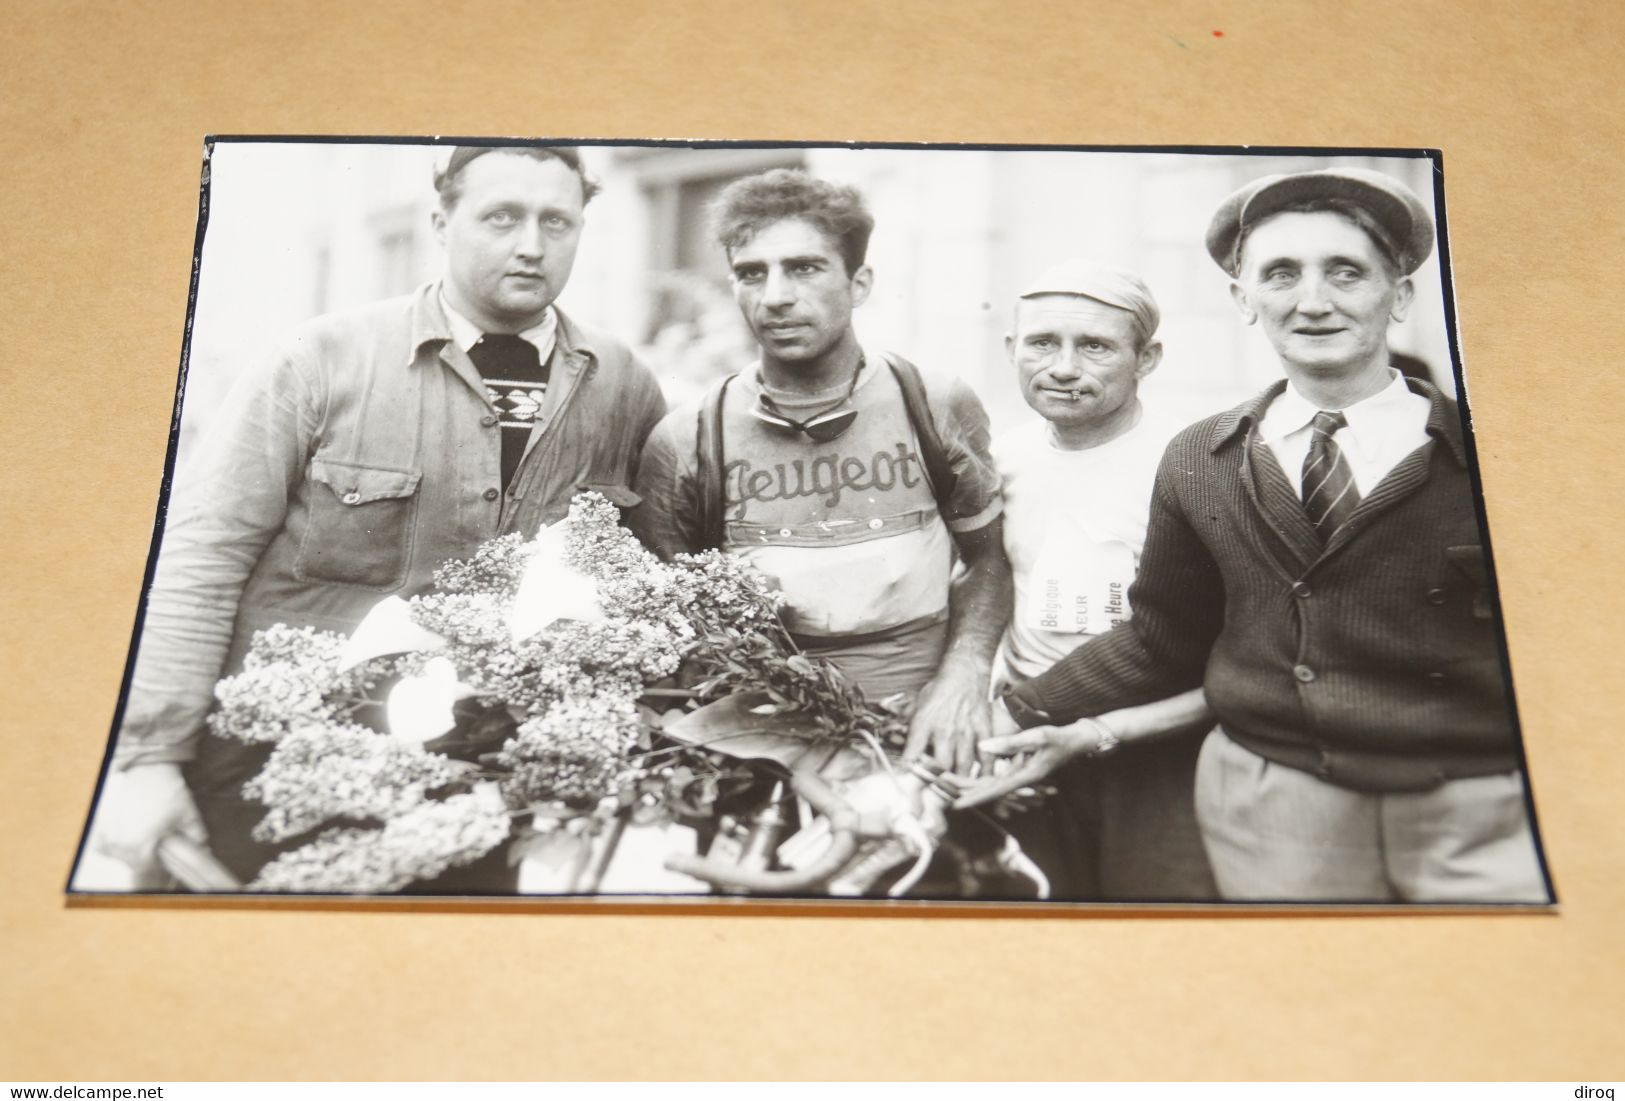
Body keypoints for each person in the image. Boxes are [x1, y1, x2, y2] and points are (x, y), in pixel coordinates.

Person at [961, 168, 1548, 903]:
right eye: (1279, 273)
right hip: (1271, 806)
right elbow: (1161, 637)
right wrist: (1010, 711)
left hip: (1480, 802)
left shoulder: (1500, 456)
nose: (1312, 300)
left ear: (1398, 294)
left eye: (1344, 271)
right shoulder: (1203, 459)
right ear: (1244, 300)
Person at [89, 144, 667, 885]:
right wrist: (149, 757)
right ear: (440, 221)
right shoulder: (319, 360)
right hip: (275, 768)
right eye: (501, 217)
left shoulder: (622, 386)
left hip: (480, 782)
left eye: (557, 221)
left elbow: (643, 582)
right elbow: (202, 557)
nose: (531, 244)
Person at [630, 168, 1011, 773]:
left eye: (804, 268)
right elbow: (672, 620)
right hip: (753, 730)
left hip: (918, 717)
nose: (775, 296)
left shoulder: (932, 402)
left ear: (859, 283)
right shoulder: (687, 439)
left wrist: (963, 677)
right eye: (752, 273)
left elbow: (988, 560)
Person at [990, 259, 1215, 899]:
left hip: (1155, 753)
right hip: (1026, 741)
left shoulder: (1193, 465)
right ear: (1012, 349)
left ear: (1146, 359)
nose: (1062, 367)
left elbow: (1223, 650)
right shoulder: (1005, 458)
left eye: (1094, 345)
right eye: (1042, 343)